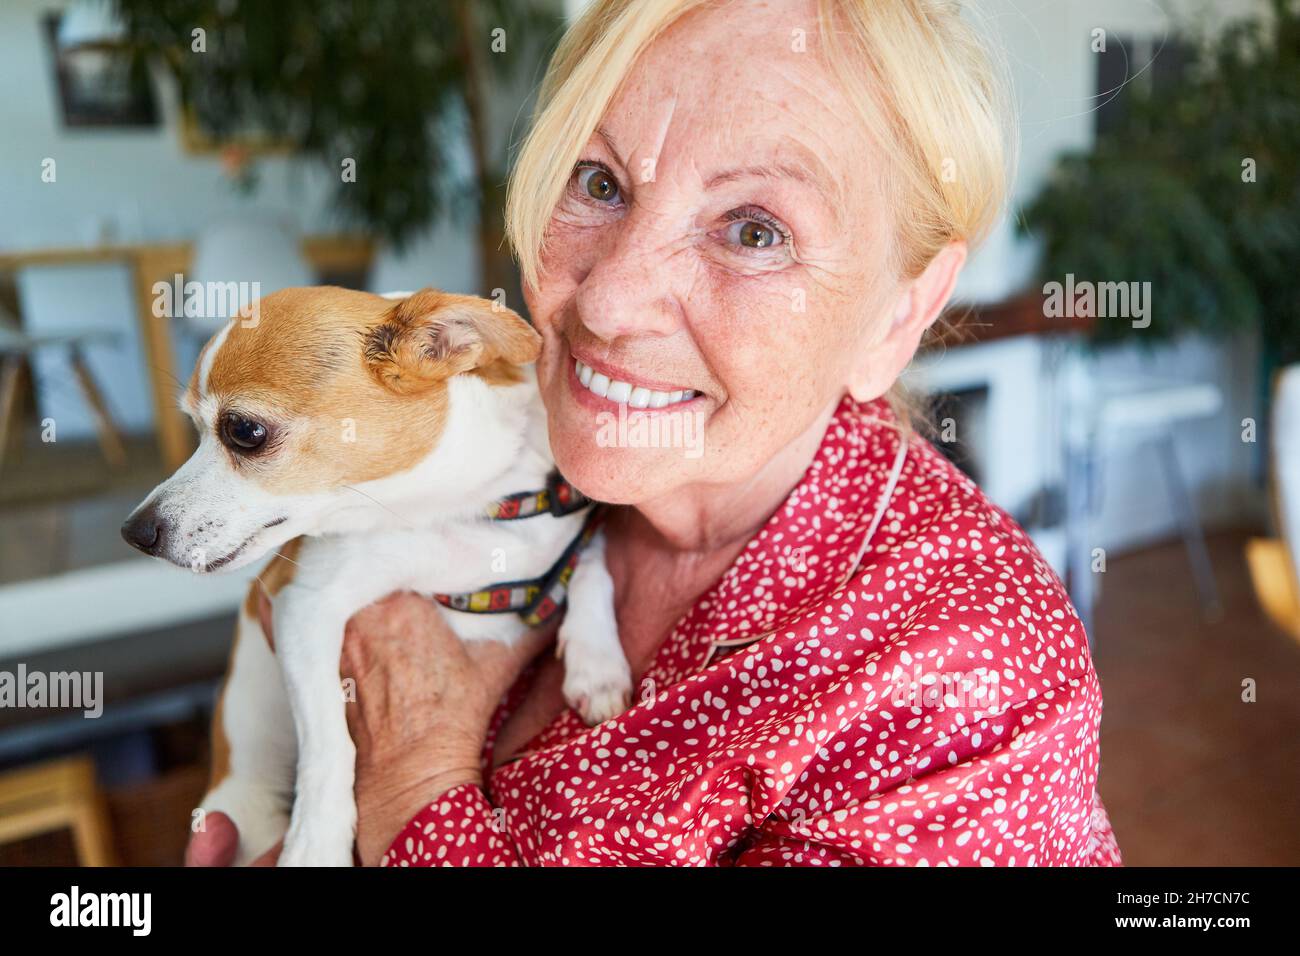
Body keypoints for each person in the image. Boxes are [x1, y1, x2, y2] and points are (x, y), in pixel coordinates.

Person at [188, 0, 1122, 867]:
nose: (608, 300)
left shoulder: (969, 671)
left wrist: (416, 776)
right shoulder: (488, 462)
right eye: (598, 180)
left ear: (898, 315)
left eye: (754, 231)